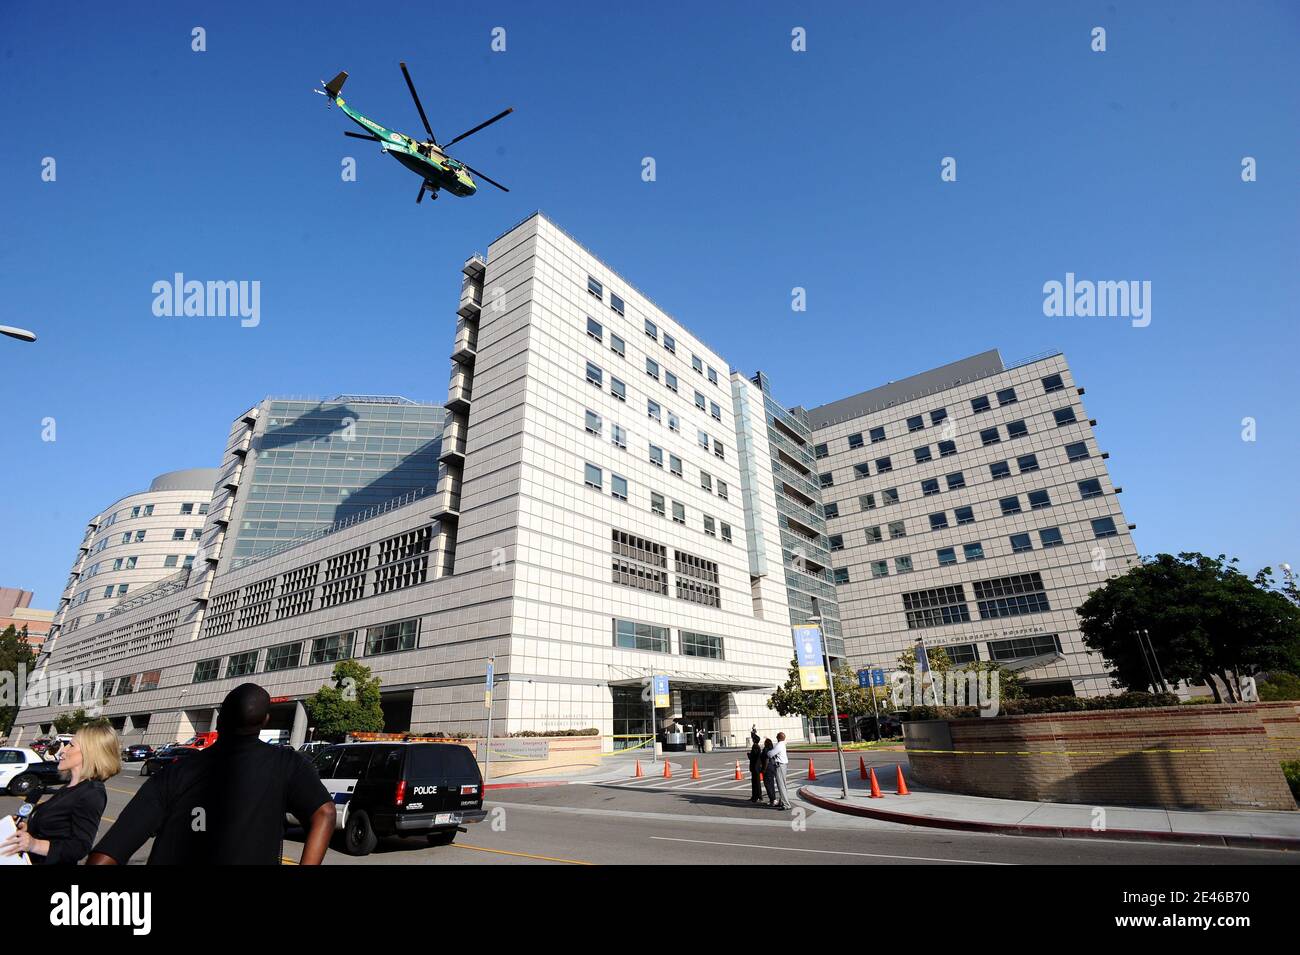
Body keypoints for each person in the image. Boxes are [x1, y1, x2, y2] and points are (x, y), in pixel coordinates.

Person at [87, 683, 335, 865]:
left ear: (220, 719)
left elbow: (106, 855)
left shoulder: (175, 771)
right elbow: (325, 812)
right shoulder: (287, 764)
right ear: (265, 721)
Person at [1, 724, 120, 864]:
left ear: (90, 753)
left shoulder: (92, 793)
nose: (62, 751)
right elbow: (57, 831)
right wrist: (29, 830)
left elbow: (80, 847)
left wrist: (34, 845)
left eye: (71, 745)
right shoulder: (69, 787)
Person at [770, 731, 791, 810]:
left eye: (777, 736)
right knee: (783, 785)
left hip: (780, 766)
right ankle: (781, 802)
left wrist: (768, 751)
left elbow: (770, 754)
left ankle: (786, 804)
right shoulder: (783, 744)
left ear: (778, 738)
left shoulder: (779, 745)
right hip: (783, 765)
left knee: (781, 786)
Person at [746, 733, 764, 803]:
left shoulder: (755, 747)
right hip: (755, 767)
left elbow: (755, 757)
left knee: (756, 783)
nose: (752, 739)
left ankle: (758, 796)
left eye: (753, 738)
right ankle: (754, 796)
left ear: (754, 740)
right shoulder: (756, 746)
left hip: (755, 767)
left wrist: (749, 756)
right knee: (754, 782)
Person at [760, 738, 776, 805]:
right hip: (772, 768)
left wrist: (764, 769)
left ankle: (772, 800)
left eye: (765, 742)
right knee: (771, 784)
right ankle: (773, 799)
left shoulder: (766, 750)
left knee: (768, 785)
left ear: (766, 743)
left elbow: (766, 760)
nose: (764, 743)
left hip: (767, 769)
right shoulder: (772, 749)